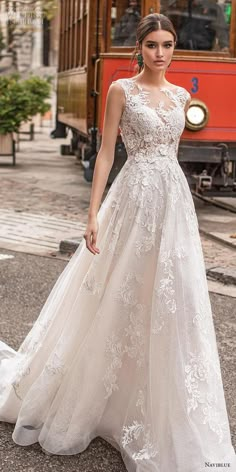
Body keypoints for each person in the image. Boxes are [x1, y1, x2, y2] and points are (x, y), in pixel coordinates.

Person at [0, 13, 235, 472]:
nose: (161, 53)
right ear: (140, 48)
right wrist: (92, 214)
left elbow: (174, 155)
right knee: (115, 292)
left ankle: (152, 400)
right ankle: (89, 397)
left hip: (172, 203)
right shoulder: (120, 90)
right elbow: (106, 152)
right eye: (152, 45)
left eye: (168, 45)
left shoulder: (182, 95)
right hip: (131, 199)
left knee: (167, 297)